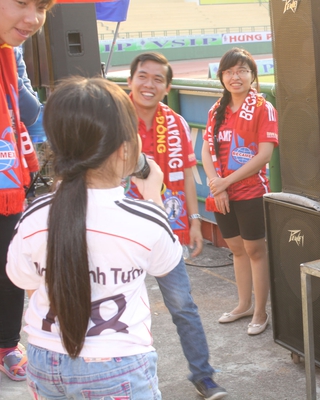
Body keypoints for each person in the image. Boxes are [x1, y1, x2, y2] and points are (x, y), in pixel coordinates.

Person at [7, 77, 180, 398]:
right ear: (125, 150)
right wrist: (153, 193)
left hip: (46, 359)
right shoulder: (144, 218)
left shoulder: (33, 214)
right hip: (118, 363)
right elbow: (167, 262)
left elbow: (20, 276)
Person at [127, 52, 227, 399]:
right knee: (122, 307)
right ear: (130, 81)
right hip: (122, 232)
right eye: (143, 76)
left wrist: (196, 222)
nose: (149, 84)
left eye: (157, 79)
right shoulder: (114, 119)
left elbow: (186, 173)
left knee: (183, 305)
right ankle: (130, 380)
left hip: (167, 228)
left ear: (167, 87)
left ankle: (204, 375)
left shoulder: (176, 123)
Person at [201, 47, 278, 336]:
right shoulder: (215, 110)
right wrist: (216, 184)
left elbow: (264, 155)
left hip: (251, 192)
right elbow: (205, 152)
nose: (236, 77)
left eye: (242, 71)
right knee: (235, 249)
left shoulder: (263, 108)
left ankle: (260, 311)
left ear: (252, 76)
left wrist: (225, 182)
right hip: (221, 192)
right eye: (230, 71)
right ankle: (243, 304)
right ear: (221, 76)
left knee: (255, 250)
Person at [0, 0, 53, 383]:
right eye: (21, 2)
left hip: (7, 176)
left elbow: (30, 111)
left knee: (9, 264)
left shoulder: (10, 53)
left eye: (42, 6)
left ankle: (6, 343)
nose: (33, 18)